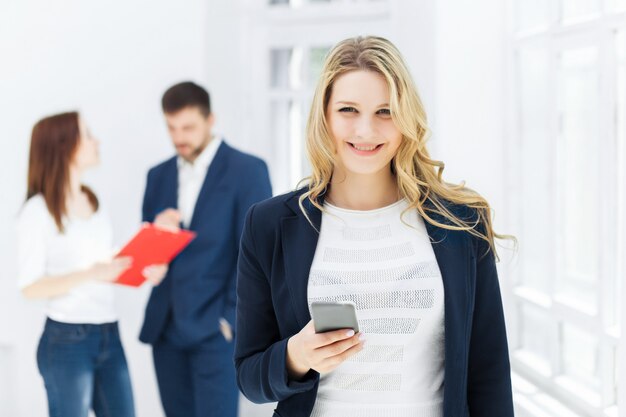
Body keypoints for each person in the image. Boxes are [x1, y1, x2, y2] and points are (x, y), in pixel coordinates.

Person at [235, 36, 515, 417]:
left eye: (385, 111)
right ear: (325, 116)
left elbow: (489, 373)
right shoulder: (269, 225)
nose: (366, 130)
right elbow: (249, 376)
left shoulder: (461, 223)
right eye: (349, 109)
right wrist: (295, 356)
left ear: (407, 119)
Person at [16, 112, 167, 417]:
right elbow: (30, 287)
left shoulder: (92, 200)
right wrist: (91, 273)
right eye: (87, 135)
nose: (96, 141)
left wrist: (145, 265)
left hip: (109, 334)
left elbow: (104, 267)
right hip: (66, 341)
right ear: (64, 146)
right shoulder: (38, 211)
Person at [139, 81, 273, 417]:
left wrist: (229, 321)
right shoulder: (157, 175)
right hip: (166, 330)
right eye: (171, 127)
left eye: (187, 127)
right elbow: (150, 262)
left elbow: (256, 255)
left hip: (217, 333)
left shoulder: (248, 170)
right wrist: (157, 235)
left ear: (210, 120)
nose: (178, 137)